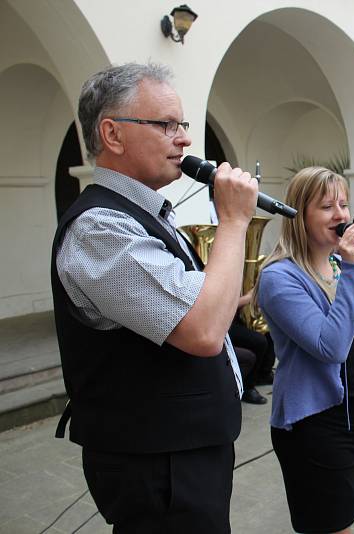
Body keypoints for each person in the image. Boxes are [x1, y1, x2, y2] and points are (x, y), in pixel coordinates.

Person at [51, 63, 256, 532]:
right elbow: (203, 330)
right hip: (156, 462)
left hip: (179, 450)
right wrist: (235, 222)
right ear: (113, 134)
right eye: (166, 124)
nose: (183, 138)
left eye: (182, 124)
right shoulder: (100, 226)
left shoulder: (145, 211)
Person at [258, 167, 354, 534]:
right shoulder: (279, 278)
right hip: (314, 425)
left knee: (342, 518)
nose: (342, 215)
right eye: (327, 206)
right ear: (299, 214)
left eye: (343, 205)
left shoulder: (336, 265)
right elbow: (330, 347)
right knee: (330, 525)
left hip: (353, 415)